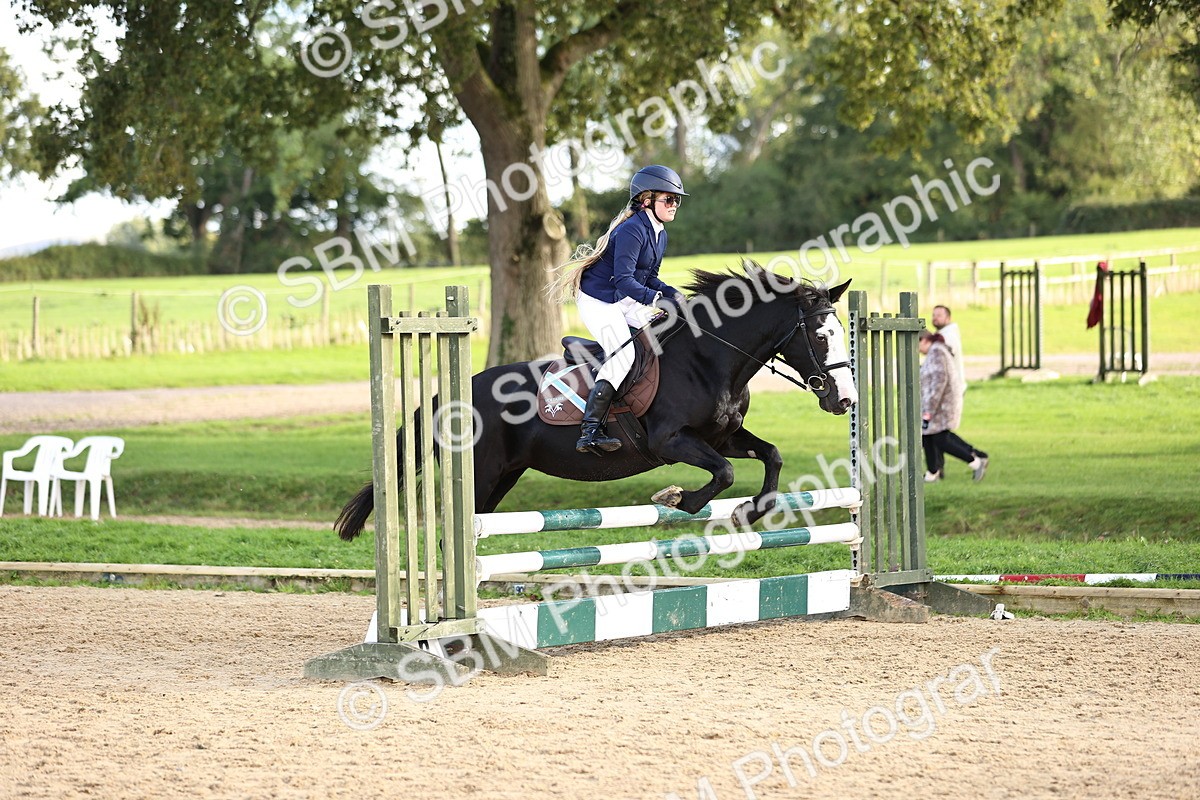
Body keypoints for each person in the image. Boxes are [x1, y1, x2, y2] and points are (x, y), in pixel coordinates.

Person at [553, 165, 689, 455]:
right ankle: (590, 430)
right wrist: (655, 300)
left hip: (621, 298)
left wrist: (674, 295)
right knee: (623, 354)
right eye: (669, 199)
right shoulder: (633, 229)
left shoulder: (659, 232)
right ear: (647, 199)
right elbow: (625, 280)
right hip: (599, 300)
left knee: (662, 332)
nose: (674, 205)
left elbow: (650, 277)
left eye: (677, 200)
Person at [919, 329, 988, 482]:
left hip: (941, 406)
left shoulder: (937, 353)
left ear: (924, 340)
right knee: (927, 436)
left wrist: (928, 410)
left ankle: (975, 462)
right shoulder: (934, 352)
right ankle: (932, 473)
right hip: (937, 404)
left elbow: (939, 382)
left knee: (941, 439)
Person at [931, 305, 966, 393]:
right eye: (933, 315)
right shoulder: (944, 333)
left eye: (939, 315)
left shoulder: (949, 335)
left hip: (952, 388)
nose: (935, 318)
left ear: (948, 318)